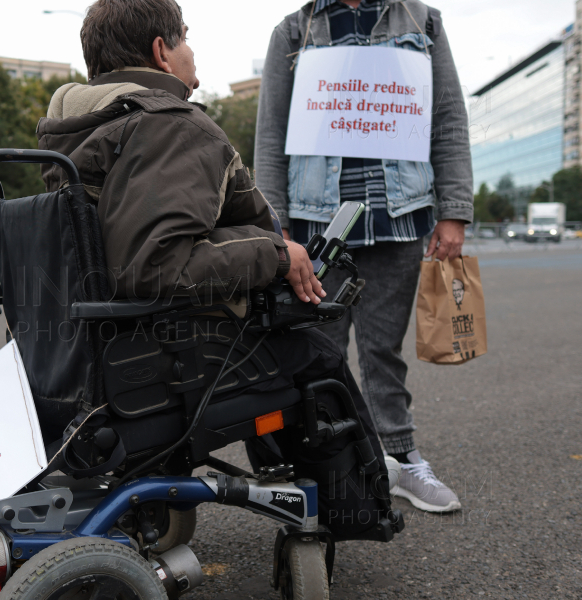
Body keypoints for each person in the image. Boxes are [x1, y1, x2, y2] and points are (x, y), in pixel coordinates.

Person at [36, 0, 397, 539]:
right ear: (162, 52)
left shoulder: (71, 129)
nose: (191, 48)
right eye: (185, 36)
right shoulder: (171, 126)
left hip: (77, 350)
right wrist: (277, 254)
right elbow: (155, 265)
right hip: (161, 355)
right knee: (314, 351)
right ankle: (357, 516)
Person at [254, 0, 473, 512]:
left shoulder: (424, 21)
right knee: (315, 354)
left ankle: (400, 457)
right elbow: (270, 134)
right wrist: (275, 226)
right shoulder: (292, 32)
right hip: (314, 226)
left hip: (399, 218)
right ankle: (324, 470)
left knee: (383, 352)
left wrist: (454, 211)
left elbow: (447, 118)